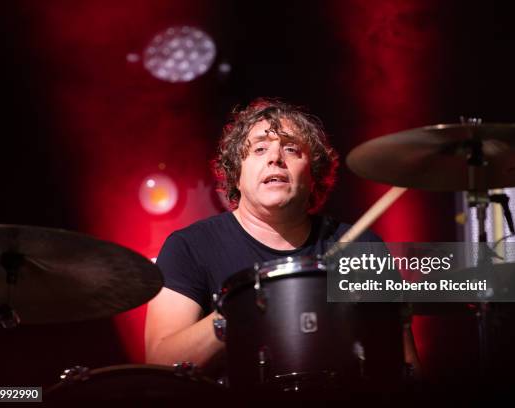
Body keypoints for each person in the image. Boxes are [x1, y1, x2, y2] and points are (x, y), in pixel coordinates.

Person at [145, 98, 420, 379]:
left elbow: (406, 367)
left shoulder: (362, 247)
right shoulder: (190, 246)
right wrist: (241, 312)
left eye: (291, 148)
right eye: (260, 149)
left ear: (314, 176)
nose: (275, 158)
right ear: (236, 176)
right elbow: (160, 361)